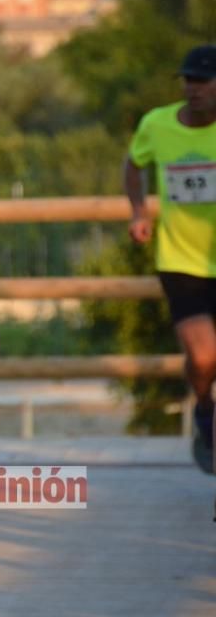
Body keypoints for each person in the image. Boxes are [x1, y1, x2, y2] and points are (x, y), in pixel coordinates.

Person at [125, 44, 216, 474]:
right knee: (203, 358)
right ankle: (203, 409)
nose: (192, 89)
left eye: (202, 81)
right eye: (187, 80)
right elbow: (134, 162)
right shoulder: (157, 124)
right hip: (181, 261)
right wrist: (139, 211)